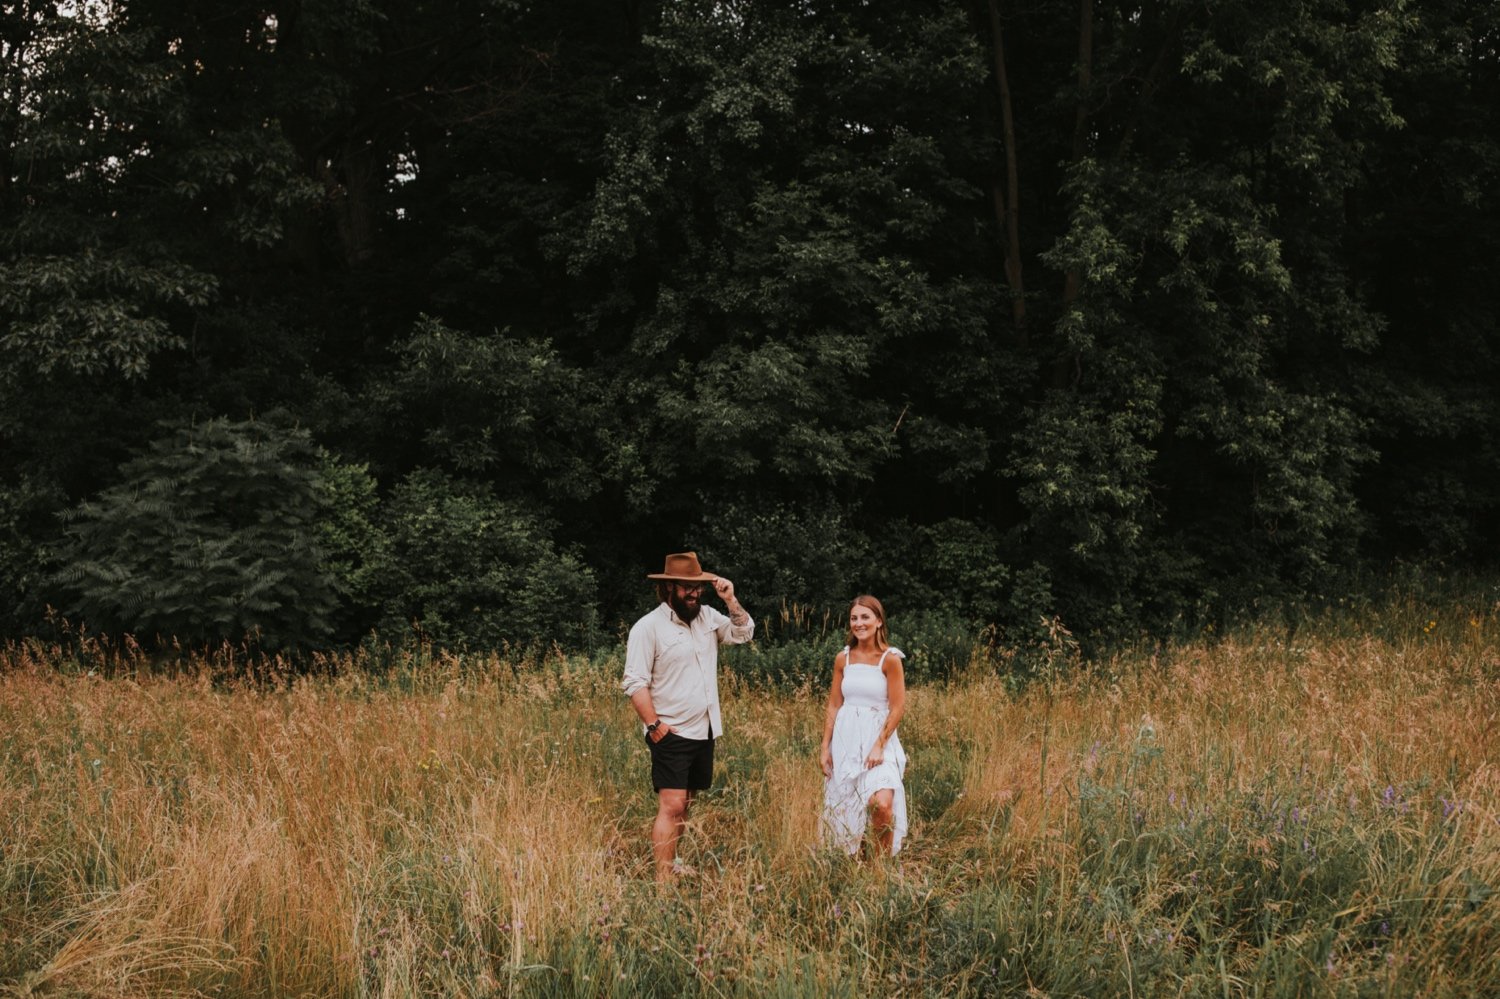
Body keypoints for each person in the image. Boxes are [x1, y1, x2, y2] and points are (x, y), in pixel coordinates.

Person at [622, 551, 754, 882]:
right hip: (669, 730)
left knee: (687, 803)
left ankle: (674, 862)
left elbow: (744, 633)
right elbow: (635, 682)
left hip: (704, 729)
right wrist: (654, 725)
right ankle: (664, 881)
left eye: (698, 588)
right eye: (686, 588)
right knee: (672, 805)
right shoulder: (648, 628)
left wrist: (731, 600)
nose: (694, 593)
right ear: (669, 588)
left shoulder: (708, 617)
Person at [820, 594, 908, 857]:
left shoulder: (890, 659)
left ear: (879, 621)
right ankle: (855, 859)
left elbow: (898, 707)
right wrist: (825, 746)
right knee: (848, 806)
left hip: (878, 742)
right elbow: (834, 704)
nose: (859, 623)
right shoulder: (843, 659)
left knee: (881, 805)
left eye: (865, 617)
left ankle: (880, 869)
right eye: (854, 618)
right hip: (846, 741)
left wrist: (879, 745)